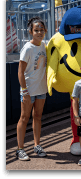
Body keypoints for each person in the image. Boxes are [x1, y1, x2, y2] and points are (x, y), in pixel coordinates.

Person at [16, 16, 48, 161]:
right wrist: (24, 90)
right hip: (28, 90)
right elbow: (20, 71)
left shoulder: (44, 46)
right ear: (30, 31)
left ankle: (37, 145)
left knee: (38, 117)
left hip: (41, 89)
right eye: (36, 30)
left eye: (41, 29)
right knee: (24, 117)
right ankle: (20, 149)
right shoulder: (27, 48)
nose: (39, 32)